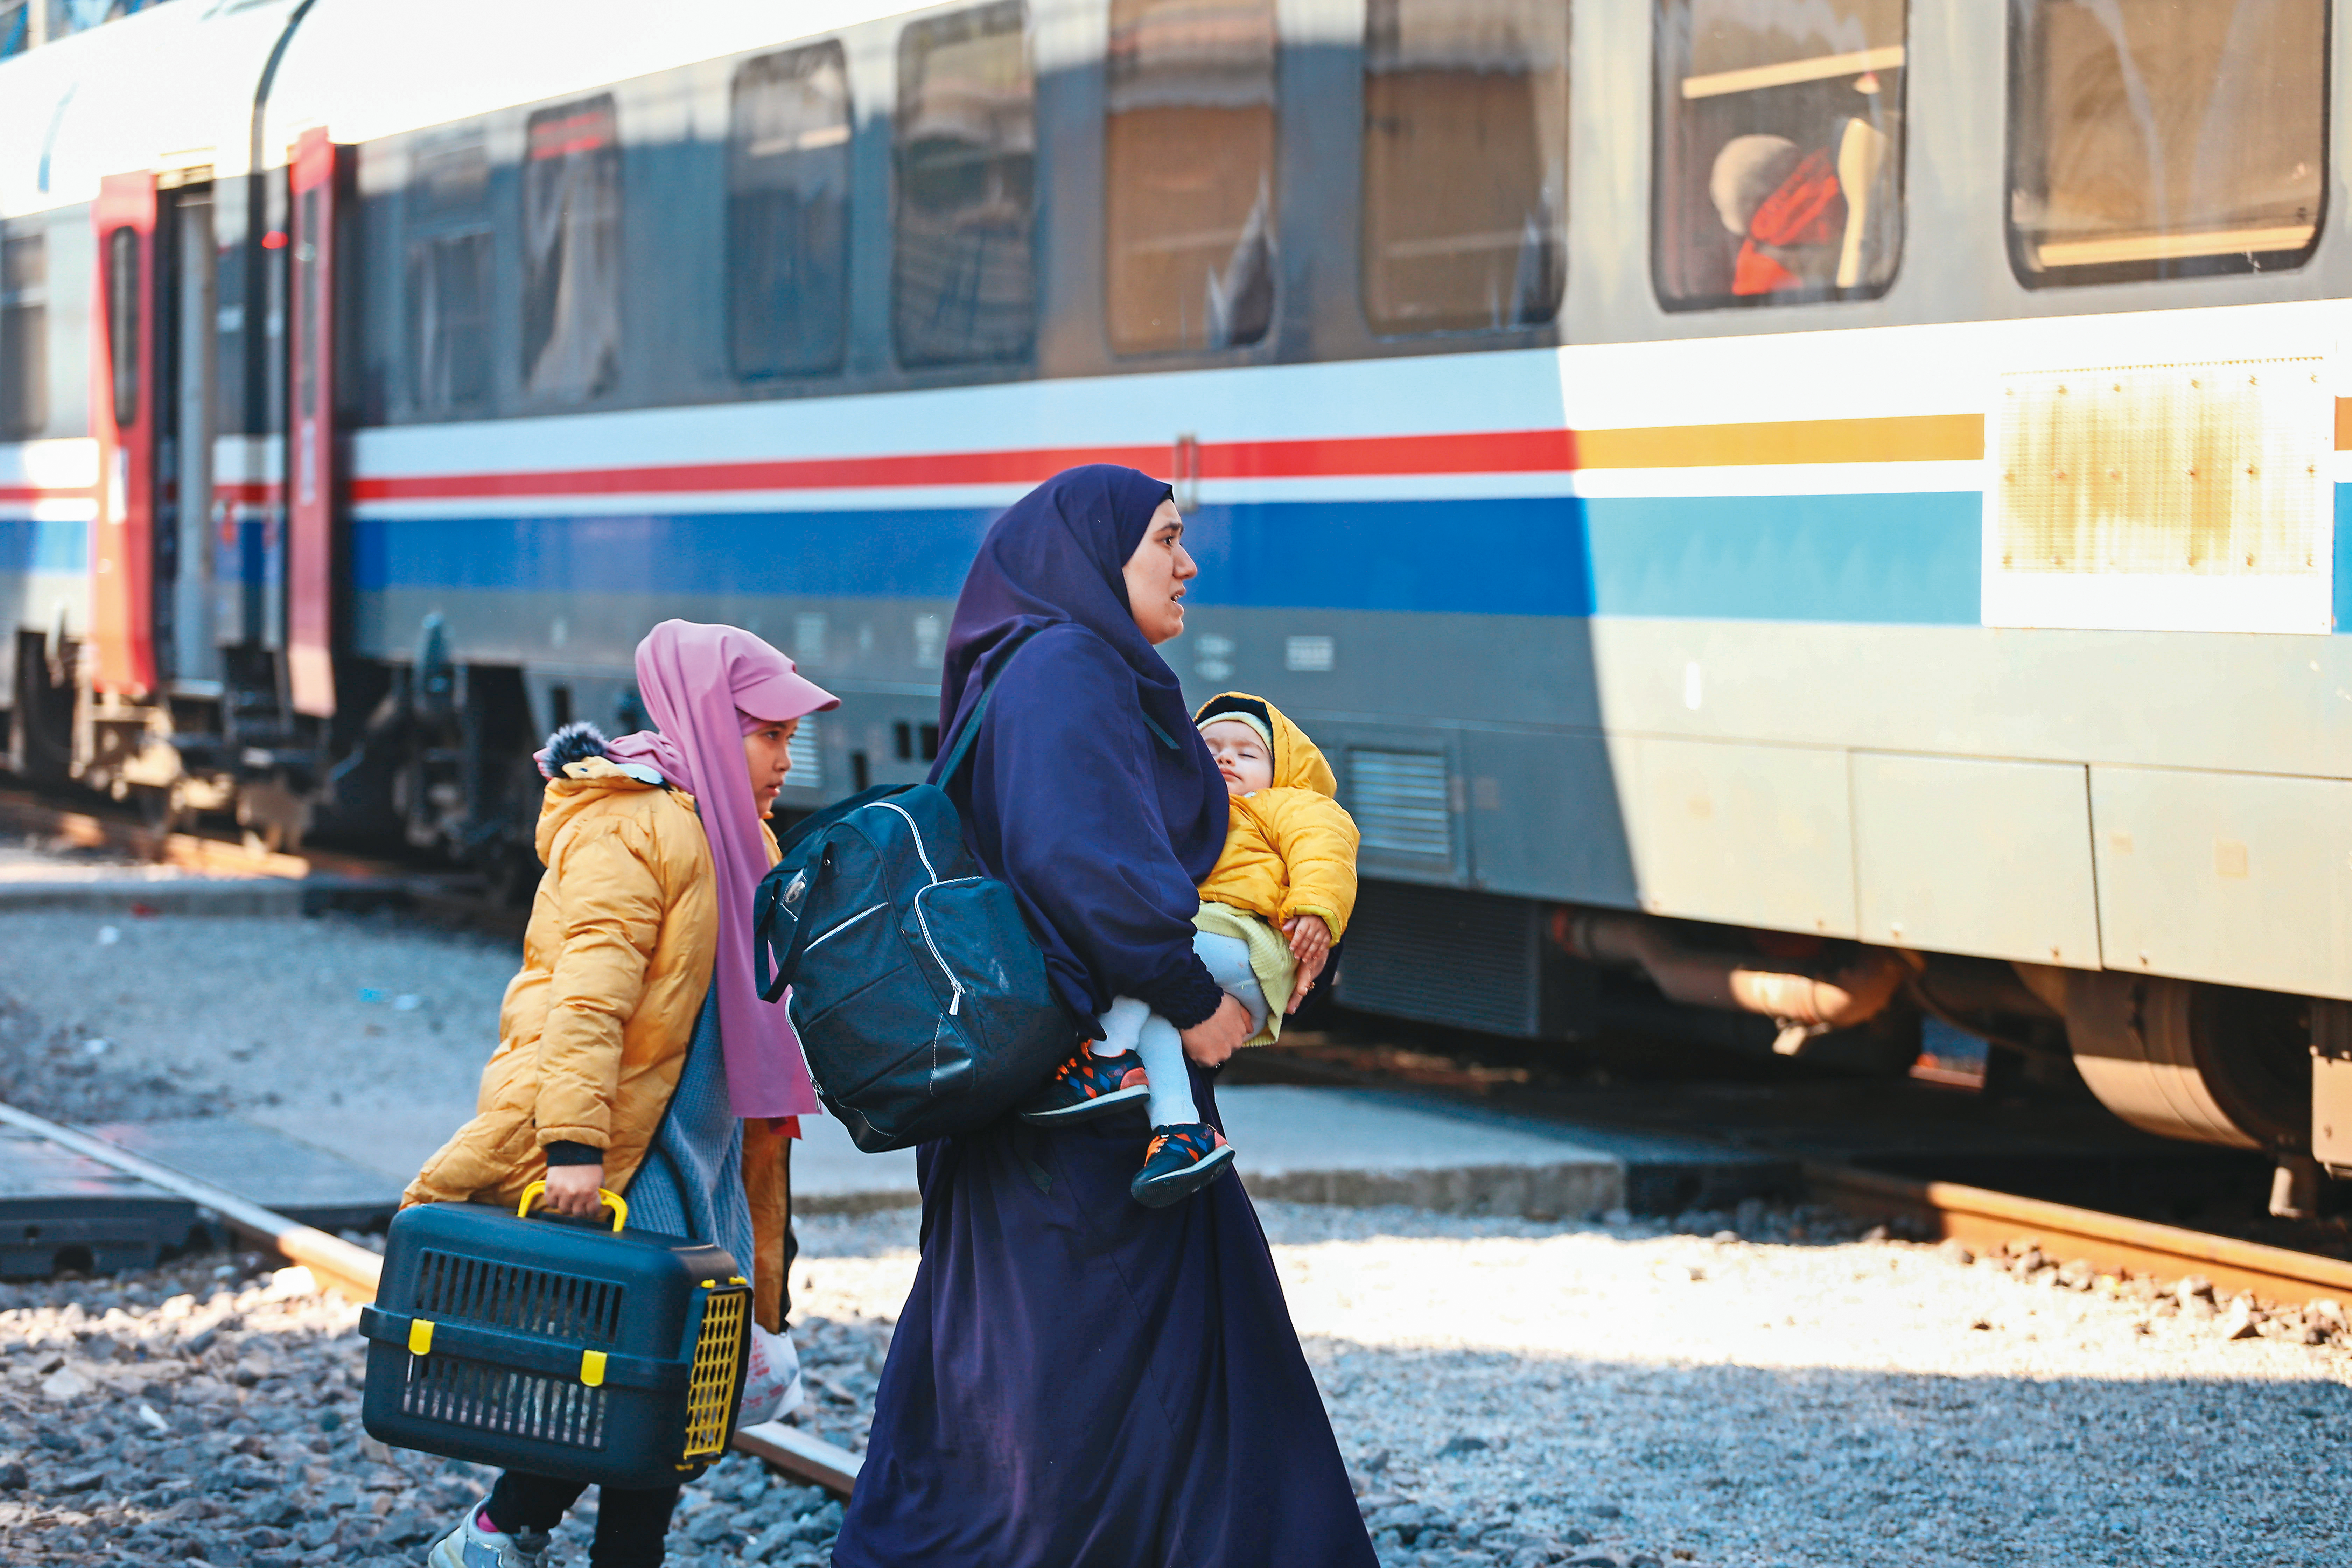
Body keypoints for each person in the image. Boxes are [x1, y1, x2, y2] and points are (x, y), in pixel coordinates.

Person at [832, 465, 1378, 1568]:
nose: (1188, 565)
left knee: (1054, 1359)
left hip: (1066, 1098)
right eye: (1166, 540)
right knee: (1072, 1388)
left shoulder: (1029, 667)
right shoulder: (1072, 671)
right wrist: (1198, 1002)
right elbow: (1082, 868)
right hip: (1088, 1116)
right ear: (1097, 556)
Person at [404, 620, 838, 1568]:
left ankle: (498, 1534)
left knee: (665, 1391)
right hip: (633, 1156)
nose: (786, 759)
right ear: (716, 725)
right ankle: (509, 1537)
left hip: (705, 1156)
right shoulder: (632, 826)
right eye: (769, 735)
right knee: (658, 1387)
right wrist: (572, 1149)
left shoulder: (738, 834)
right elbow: (585, 1001)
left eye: (788, 738)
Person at [1028, 690, 1358, 1207]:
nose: (1226, 759)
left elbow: (1328, 851)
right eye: (1210, 751)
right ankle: (1183, 1132)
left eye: (1248, 754)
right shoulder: (1184, 812)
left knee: (1145, 951)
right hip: (1215, 951)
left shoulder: (1288, 804)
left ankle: (1107, 1057)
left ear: (1286, 769)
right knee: (1156, 1021)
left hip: (1251, 944)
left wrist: (1316, 910)